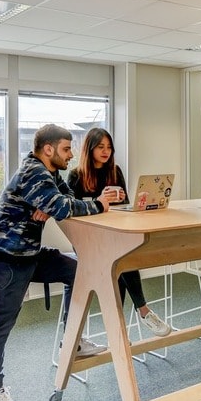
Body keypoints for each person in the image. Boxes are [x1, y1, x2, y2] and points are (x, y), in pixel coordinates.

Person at [0, 124, 112, 401]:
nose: (70, 155)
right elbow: (63, 207)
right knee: (0, 326)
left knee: (78, 271)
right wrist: (89, 204)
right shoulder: (34, 171)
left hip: (30, 256)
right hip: (6, 262)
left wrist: (58, 205)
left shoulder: (51, 174)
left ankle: (73, 341)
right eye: (66, 149)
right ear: (49, 150)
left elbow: (64, 200)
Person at [67, 128, 171, 338]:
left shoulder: (115, 171)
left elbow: (123, 208)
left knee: (122, 259)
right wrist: (99, 199)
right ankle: (143, 311)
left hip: (112, 235)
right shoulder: (76, 175)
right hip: (87, 239)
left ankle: (118, 328)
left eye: (109, 147)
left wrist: (122, 200)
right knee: (121, 259)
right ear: (90, 148)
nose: (106, 151)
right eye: (100, 147)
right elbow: (70, 209)